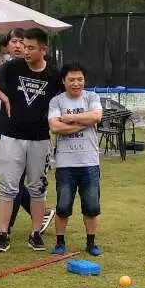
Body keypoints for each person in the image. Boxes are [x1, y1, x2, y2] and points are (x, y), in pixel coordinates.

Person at [0, 26, 60, 251]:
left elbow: (65, 96)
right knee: (7, 184)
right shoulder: (13, 67)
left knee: (37, 186)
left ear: (43, 49)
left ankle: (35, 233)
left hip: (40, 137)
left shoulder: (53, 75)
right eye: (24, 46)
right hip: (11, 135)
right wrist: (4, 97)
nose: (25, 51)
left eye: (31, 48)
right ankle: (3, 233)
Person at [47, 62, 103, 256]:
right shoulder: (57, 102)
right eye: (71, 79)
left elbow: (96, 117)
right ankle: (60, 242)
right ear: (63, 81)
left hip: (89, 162)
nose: (76, 83)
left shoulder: (92, 97)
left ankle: (91, 243)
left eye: (80, 79)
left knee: (92, 206)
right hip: (65, 163)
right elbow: (55, 127)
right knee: (63, 206)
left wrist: (69, 119)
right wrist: (83, 122)